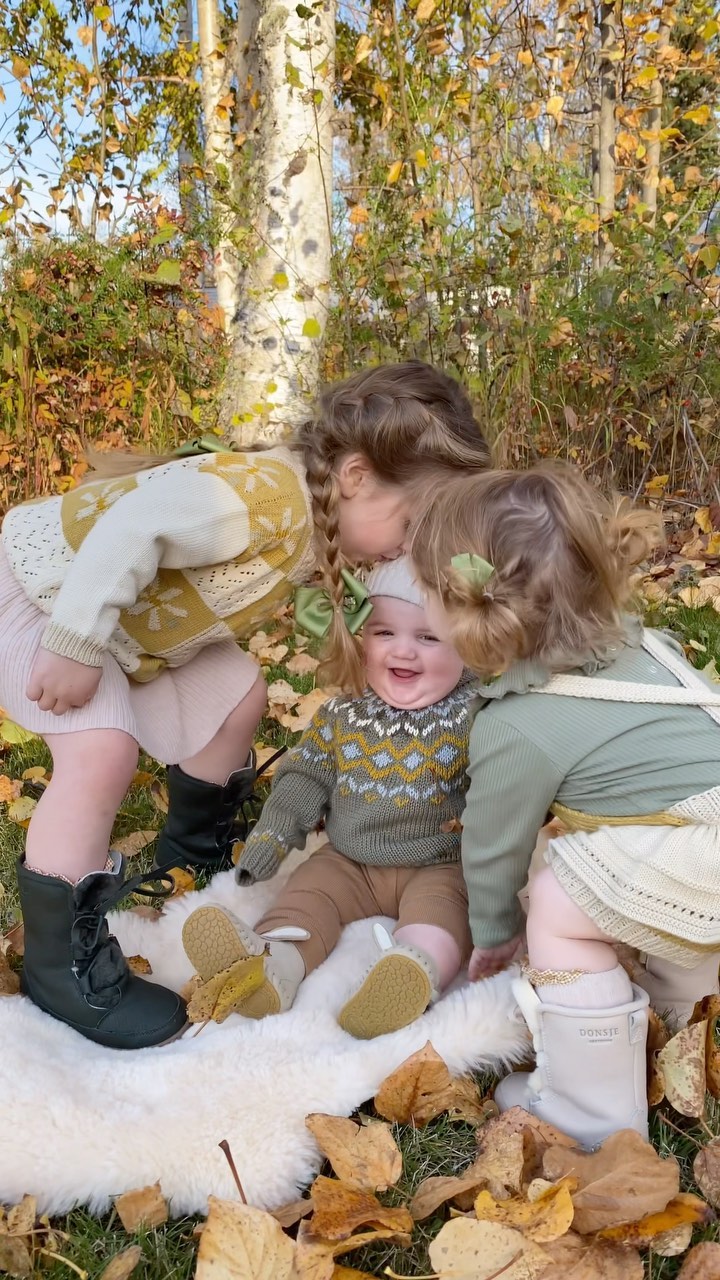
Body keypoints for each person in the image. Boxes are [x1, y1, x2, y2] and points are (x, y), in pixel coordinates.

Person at [0, 362, 490, 1050]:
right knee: (100, 751)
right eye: (412, 523)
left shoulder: (324, 522)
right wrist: (75, 642)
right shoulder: (267, 498)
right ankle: (61, 966)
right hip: (48, 598)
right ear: (356, 475)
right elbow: (132, 527)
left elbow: (396, 598)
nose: (410, 544)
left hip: (125, 623)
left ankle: (193, 858)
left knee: (239, 692)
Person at [410, 463, 720, 1148]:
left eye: (425, 591)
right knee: (659, 880)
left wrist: (496, 932)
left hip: (707, 853)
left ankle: (592, 1106)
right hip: (706, 842)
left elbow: (494, 845)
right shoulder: (642, 643)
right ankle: (677, 1030)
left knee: (556, 900)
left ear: (468, 609)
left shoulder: (518, 726)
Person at [181, 557, 476, 1039]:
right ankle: (272, 965)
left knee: (443, 911)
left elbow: (502, 783)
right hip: (349, 860)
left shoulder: (475, 715)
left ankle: (414, 970)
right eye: (384, 633)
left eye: (428, 637)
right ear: (359, 640)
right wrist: (273, 835)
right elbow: (305, 777)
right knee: (308, 895)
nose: (403, 650)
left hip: (438, 862)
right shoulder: (344, 713)